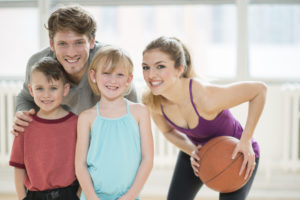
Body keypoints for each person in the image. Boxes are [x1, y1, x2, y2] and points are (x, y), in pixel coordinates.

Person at [141, 36, 267, 200]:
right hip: (198, 151)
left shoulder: (205, 98)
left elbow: (259, 90)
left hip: (238, 153)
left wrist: (246, 140)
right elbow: (167, 132)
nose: (151, 74)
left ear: (179, 69)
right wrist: (191, 150)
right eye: (145, 67)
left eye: (160, 66)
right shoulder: (153, 101)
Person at [11, 5, 137, 136]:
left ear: (92, 41)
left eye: (79, 42)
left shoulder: (110, 61)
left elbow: (133, 107)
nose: (71, 53)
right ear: (52, 44)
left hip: (102, 139)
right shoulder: (38, 64)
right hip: (62, 138)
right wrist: (23, 113)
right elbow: (25, 98)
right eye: (63, 44)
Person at [75, 45, 154, 200]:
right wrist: (92, 197)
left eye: (119, 74)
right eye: (106, 73)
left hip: (128, 197)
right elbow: (80, 165)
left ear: (129, 79)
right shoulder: (86, 117)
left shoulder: (140, 112)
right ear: (93, 75)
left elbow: (148, 159)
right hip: (93, 197)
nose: (113, 80)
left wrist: (130, 196)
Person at [9, 57, 80, 200]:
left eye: (53, 88)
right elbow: (19, 167)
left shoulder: (76, 124)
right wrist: (22, 197)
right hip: (34, 196)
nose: (46, 95)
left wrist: (78, 194)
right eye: (39, 88)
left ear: (65, 89)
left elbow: (84, 163)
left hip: (69, 195)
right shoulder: (24, 124)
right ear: (31, 90)